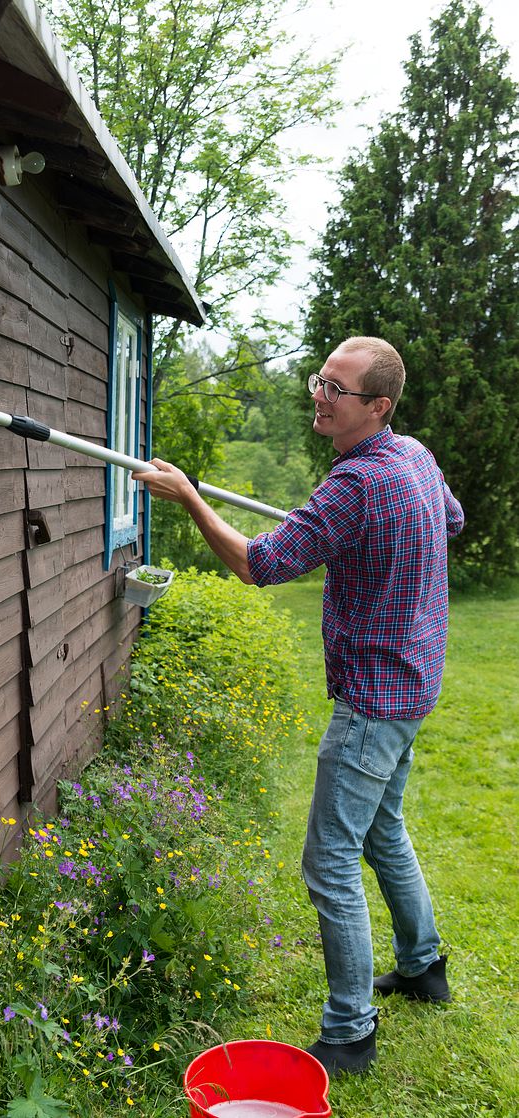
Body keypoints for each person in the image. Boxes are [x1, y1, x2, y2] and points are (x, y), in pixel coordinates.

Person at [132, 336, 464, 1077]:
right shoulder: (412, 455)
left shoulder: (355, 486)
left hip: (375, 697)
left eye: (336, 389)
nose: (319, 393)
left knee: (331, 863)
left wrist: (189, 496)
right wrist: (357, 532)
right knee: (383, 832)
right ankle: (423, 966)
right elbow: (451, 521)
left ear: (377, 406)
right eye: (320, 379)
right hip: (416, 681)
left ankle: (349, 1033)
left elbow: (260, 564)